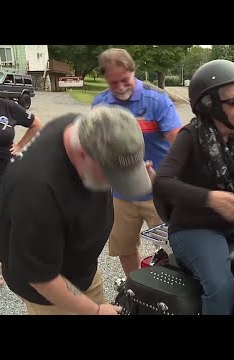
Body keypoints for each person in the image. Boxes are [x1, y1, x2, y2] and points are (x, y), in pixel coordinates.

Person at [0, 105, 155, 315]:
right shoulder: (35, 189)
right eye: (111, 175)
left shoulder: (83, 126)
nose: (115, 183)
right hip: (48, 289)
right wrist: (95, 311)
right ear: (82, 154)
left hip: (82, 266)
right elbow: (42, 278)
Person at [153, 59, 234, 315]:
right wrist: (210, 198)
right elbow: (162, 182)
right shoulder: (190, 136)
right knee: (221, 289)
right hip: (193, 226)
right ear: (209, 105)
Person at [92, 48, 182, 278]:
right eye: (114, 83)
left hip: (158, 192)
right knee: (125, 247)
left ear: (133, 71)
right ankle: (137, 288)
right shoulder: (100, 105)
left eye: (125, 80)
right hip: (121, 194)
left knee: (175, 247)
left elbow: (181, 146)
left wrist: (169, 179)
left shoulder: (156, 100)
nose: (121, 88)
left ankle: (176, 290)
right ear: (104, 78)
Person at [0, 63, 42, 287]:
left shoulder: (7, 107)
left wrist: (20, 145)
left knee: (19, 216)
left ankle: (23, 259)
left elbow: (36, 124)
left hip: (9, 173)